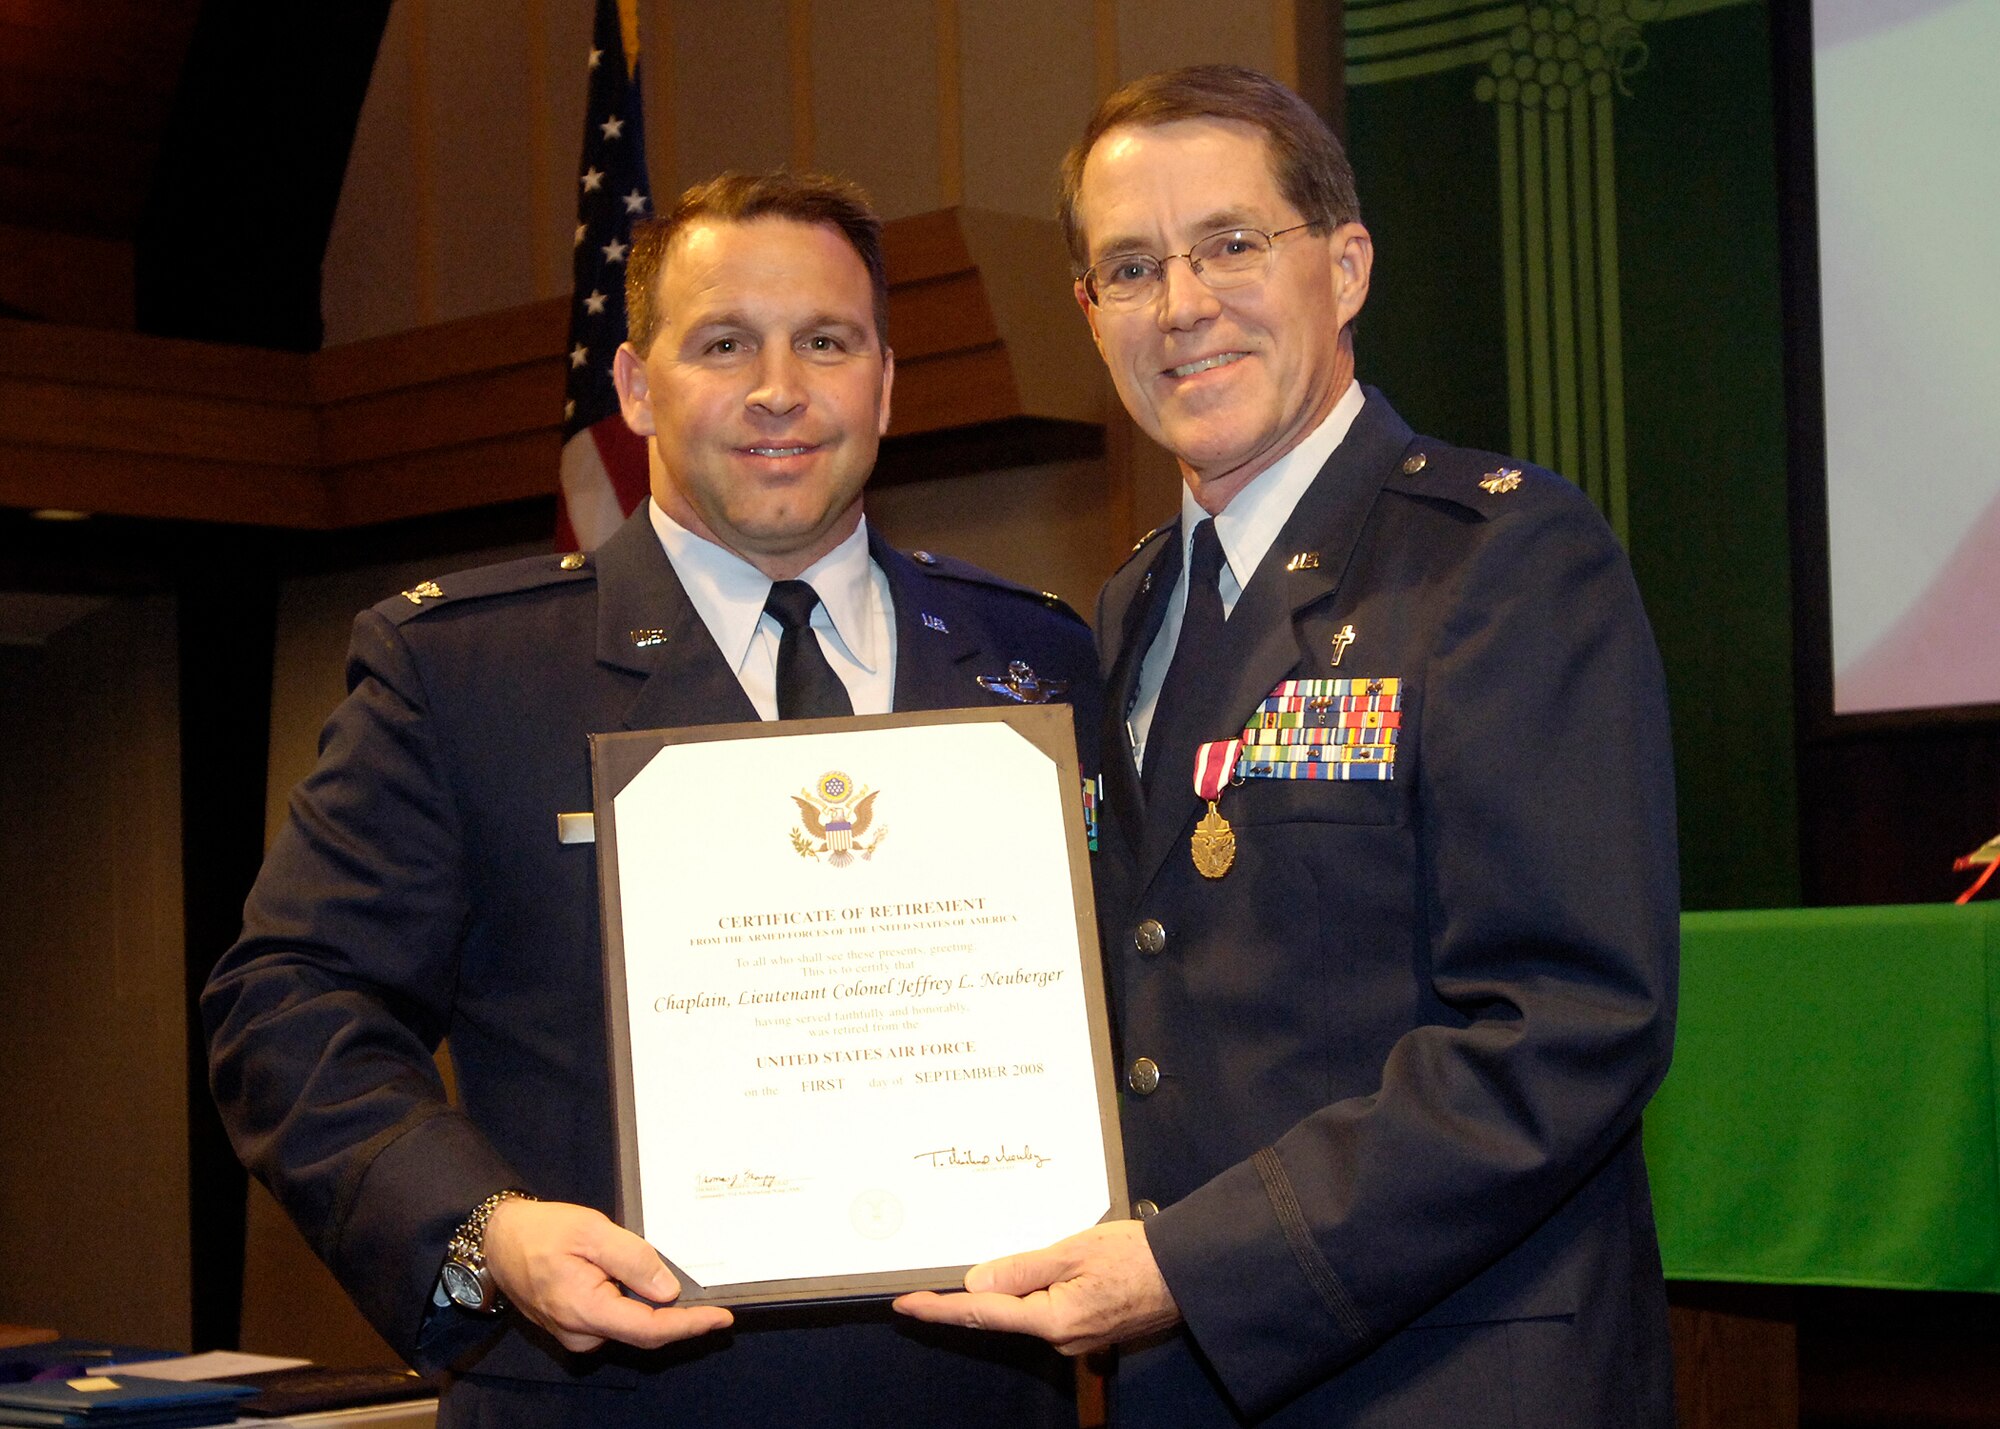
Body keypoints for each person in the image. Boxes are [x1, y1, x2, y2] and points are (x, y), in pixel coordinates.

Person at [203, 170, 1095, 1427]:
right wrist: (484, 1232)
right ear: (634, 386)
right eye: (723, 343)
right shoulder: (464, 673)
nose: (778, 388)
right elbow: (288, 1002)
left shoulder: (1039, 658)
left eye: (825, 342)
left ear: (885, 383)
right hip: (605, 1401)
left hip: (975, 1396)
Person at [895, 65, 1679, 1427]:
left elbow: (1565, 1025)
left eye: (1230, 244)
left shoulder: (1500, 558)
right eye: (1130, 268)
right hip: (1186, 1383)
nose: (1181, 305)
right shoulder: (1131, 606)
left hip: (1446, 1376)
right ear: (1089, 313)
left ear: (1347, 265)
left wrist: (1195, 1266)